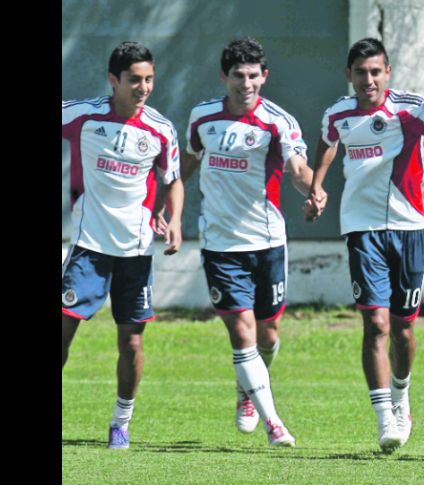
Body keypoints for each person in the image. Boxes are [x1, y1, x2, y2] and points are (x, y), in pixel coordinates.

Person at [304, 38, 424, 452]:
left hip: (410, 228)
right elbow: (326, 143)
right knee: (375, 324)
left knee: (403, 328)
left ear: (387, 72)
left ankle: (401, 395)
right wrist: (318, 186)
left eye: (375, 71)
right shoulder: (338, 114)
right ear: (349, 75)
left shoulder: (407, 108)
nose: (368, 80)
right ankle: (383, 420)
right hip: (361, 229)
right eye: (360, 72)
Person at [179, 37, 316, 447]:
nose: (246, 83)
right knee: (241, 332)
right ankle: (275, 423)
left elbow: (297, 167)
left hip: (268, 241)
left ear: (264, 77)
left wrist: (313, 189)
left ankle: (248, 389)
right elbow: (187, 162)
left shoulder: (279, 121)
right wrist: (163, 203)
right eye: (238, 75)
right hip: (220, 244)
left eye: (253, 75)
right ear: (225, 76)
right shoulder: (203, 117)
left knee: (267, 333)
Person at [61, 41, 184, 449]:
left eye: (149, 79)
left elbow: (173, 180)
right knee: (63, 330)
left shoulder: (161, 130)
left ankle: (121, 422)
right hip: (89, 248)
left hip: (136, 251)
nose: (144, 87)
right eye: (135, 79)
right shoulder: (83, 115)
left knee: (131, 341)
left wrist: (173, 218)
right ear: (113, 80)